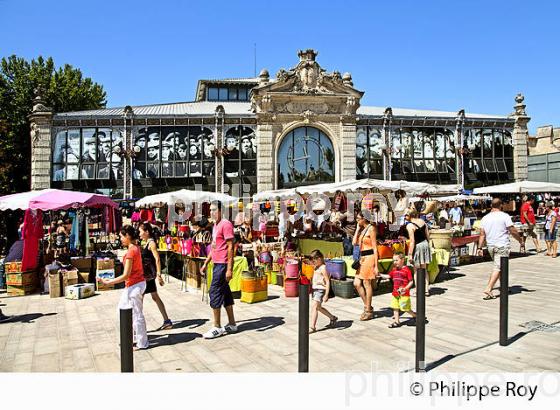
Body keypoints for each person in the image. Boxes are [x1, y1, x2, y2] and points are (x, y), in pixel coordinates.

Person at [98, 225, 148, 349]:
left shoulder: (131, 251)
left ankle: (142, 342)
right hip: (135, 285)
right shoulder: (135, 248)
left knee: (136, 314)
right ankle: (133, 339)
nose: (120, 239)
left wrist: (108, 282)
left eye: (121, 236)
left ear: (128, 236)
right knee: (128, 312)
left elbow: (126, 275)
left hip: (134, 286)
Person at [201, 201, 237, 339]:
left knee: (214, 292)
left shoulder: (226, 224)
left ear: (221, 210)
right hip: (216, 263)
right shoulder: (215, 225)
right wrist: (206, 263)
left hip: (223, 265)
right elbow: (215, 246)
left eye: (215, 209)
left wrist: (229, 269)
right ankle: (232, 323)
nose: (212, 212)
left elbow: (230, 247)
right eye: (210, 210)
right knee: (226, 293)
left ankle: (217, 326)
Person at [477, 198, 523, 300]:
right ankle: (488, 289)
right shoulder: (504, 216)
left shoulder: (485, 218)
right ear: (501, 205)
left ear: (491, 206)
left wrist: (479, 247)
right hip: (502, 245)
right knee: (498, 268)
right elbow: (512, 230)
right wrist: (520, 240)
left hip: (491, 246)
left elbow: (482, 234)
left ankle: (504, 287)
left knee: (501, 267)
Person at [139, 223, 173, 330]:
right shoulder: (145, 243)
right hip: (146, 275)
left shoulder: (151, 243)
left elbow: (157, 259)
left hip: (148, 276)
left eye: (140, 231)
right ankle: (167, 321)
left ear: (147, 232)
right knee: (154, 297)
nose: (139, 234)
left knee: (140, 298)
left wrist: (159, 275)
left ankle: (138, 324)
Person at [379, 252, 417, 328]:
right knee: (395, 307)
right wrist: (380, 275)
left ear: (402, 260)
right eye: (393, 260)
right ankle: (397, 321)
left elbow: (411, 281)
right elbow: (388, 276)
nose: (394, 262)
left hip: (404, 294)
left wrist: (405, 288)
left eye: (396, 260)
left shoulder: (407, 270)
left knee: (405, 308)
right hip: (395, 293)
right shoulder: (394, 270)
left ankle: (415, 316)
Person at [352, 211, 378, 321]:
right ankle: (368, 306)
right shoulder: (362, 230)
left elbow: (375, 247)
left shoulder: (371, 228)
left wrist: (376, 265)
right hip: (362, 258)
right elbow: (354, 243)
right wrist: (357, 229)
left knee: (367, 283)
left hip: (369, 257)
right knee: (356, 283)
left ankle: (368, 310)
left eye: (358, 219)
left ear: (364, 218)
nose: (357, 221)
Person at [309, 249, 337, 333]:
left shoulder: (323, 268)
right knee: (318, 307)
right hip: (315, 289)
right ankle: (332, 317)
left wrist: (326, 294)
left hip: (320, 290)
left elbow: (327, 281)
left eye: (314, 261)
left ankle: (312, 327)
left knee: (314, 307)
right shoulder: (316, 266)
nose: (313, 263)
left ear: (319, 259)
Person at [406, 208, 432, 296]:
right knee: (424, 268)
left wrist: (410, 254)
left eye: (406, 215)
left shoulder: (409, 226)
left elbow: (412, 241)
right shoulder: (422, 221)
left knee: (416, 270)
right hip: (425, 244)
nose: (405, 217)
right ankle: (426, 289)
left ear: (409, 216)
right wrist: (429, 245)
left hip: (417, 246)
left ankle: (418, 290)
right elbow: (427, 235)